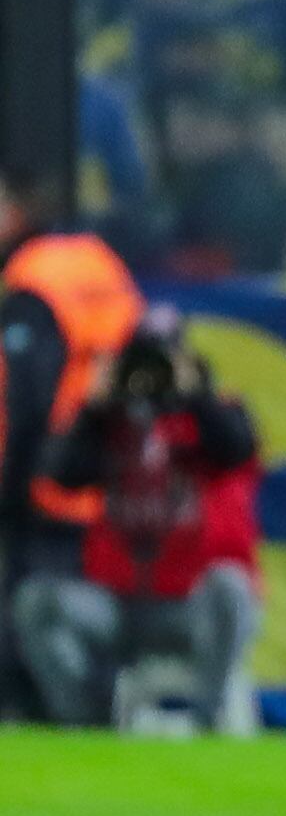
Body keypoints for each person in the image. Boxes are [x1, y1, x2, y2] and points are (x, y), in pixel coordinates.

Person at [14, 306, 263, 734]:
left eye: (164, 360)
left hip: (188, 605)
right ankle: (88, 727)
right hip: (119, 604)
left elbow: (237, 449)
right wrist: (95, 406)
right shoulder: (109, 422)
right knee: (37, 602)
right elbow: (59, 473)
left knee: (232, 588)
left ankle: (207, 721)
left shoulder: (215, 414)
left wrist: (194, 394)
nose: (152, 374)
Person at [0, 171, 143, 719]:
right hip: (113, 481)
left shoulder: (34, 282)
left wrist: (11, 488)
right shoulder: (99, 263)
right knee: (91, 630)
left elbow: (28, 399)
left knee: (31, 628)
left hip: (48, 483)